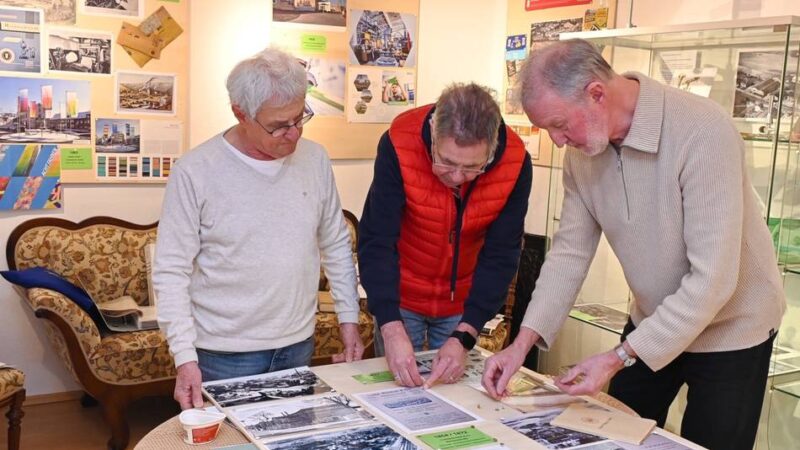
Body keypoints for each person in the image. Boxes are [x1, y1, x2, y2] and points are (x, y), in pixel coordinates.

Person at [481, 39, 785, 450]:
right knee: (609, 436)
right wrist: (521, 345)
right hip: (654, 317)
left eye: (558, 124)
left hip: (733, 329)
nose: (557, 141)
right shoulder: (582, 155)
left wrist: (617, 357)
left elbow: (713, 279)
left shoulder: (702, 129)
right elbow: (569, 254)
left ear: (596, 93)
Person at [154, 47, 364, 410]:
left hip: (298, 342)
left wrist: (349, 320)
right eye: (279, 126)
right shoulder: (196, 171)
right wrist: (184, 357)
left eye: (300, 118)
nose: (293, 134)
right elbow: (171, 271)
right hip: (223, 354)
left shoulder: (314, 159)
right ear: (240, 113)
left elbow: (336, 243)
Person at [359, 83, 532, 389]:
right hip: (401, 296)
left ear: (491, 151)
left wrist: (466, 333)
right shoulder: (400, 143)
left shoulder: (515, 162)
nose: (456, 177)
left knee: (453, 395)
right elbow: (377, 239)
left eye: (471, 168)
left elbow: (501, 254)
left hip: (463, 303)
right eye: (447, 163)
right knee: (398, 392)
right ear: (433, 134)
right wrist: (389, 325)